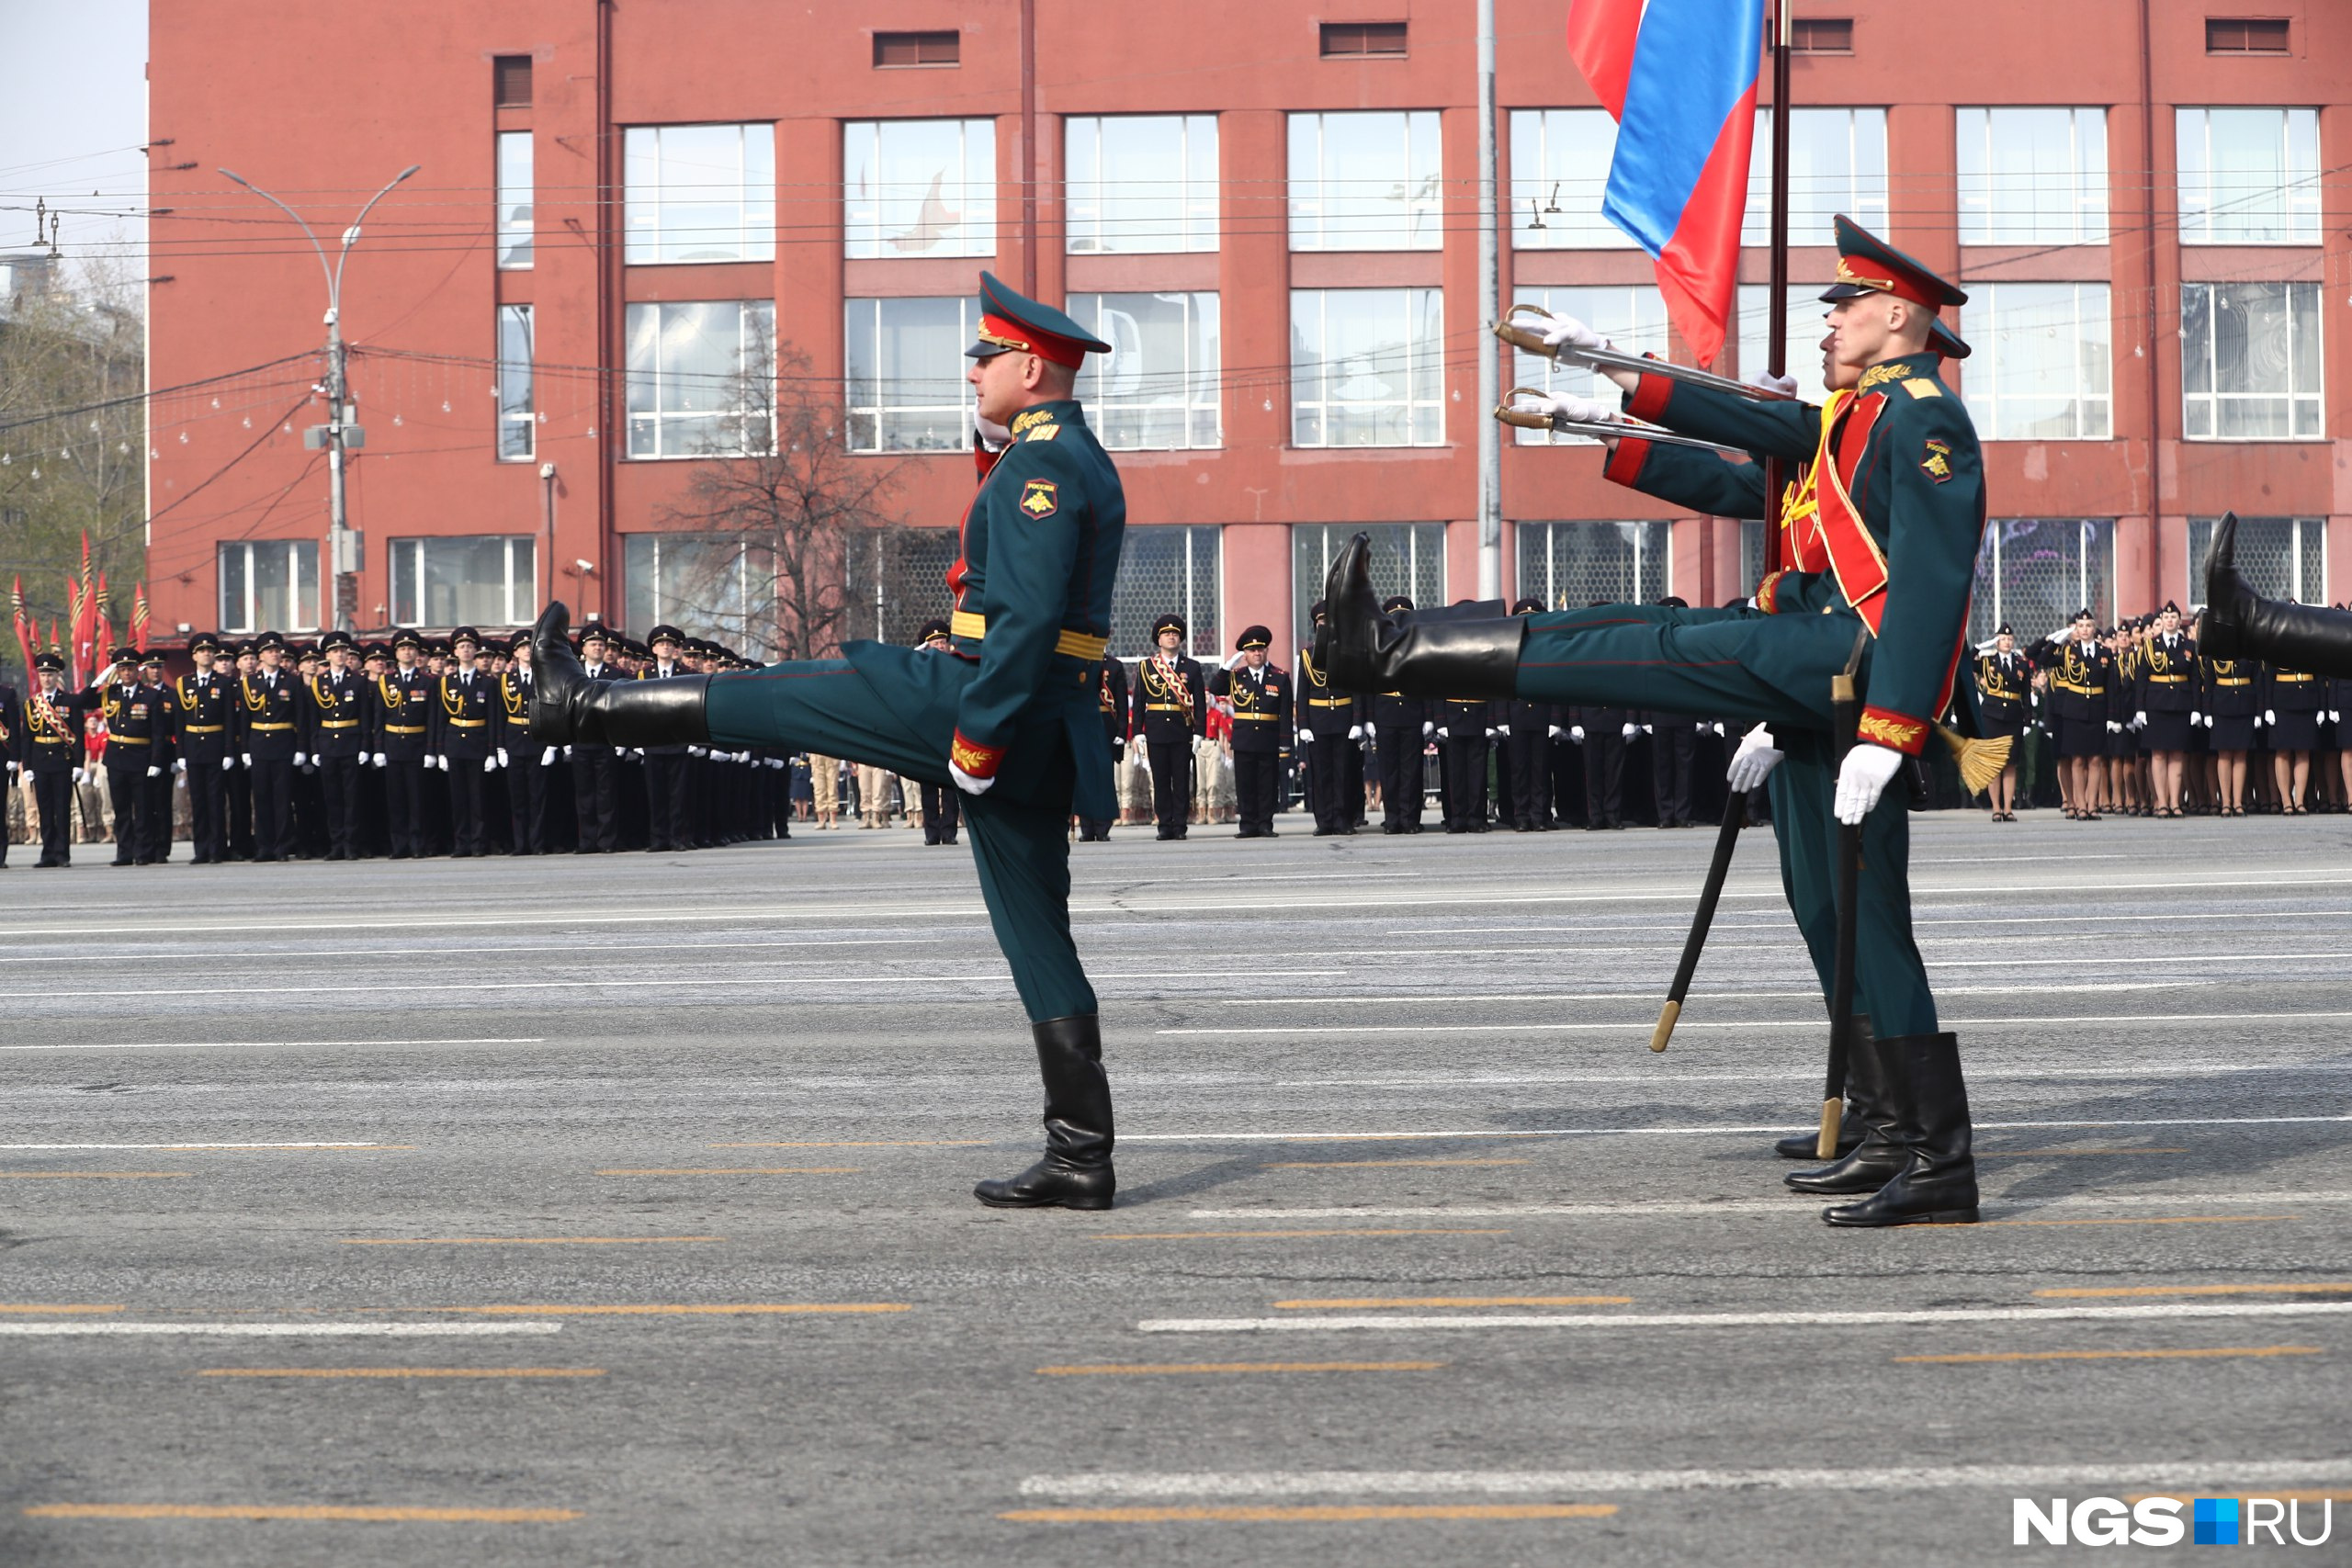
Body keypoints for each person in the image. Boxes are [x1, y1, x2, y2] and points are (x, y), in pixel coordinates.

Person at [1321, 217, 1985, 1228]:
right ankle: (1890, 1125)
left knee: (1665, 648)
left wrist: (1892, 730)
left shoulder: (1920, 419)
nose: (1826, 325)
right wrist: (1606, 411)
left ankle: (1938, 1158)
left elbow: (1933, 586)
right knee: (1826, 910)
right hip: (1815, 679)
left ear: (1897, 314)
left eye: (1841, 305)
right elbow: (1745, 468)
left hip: (1857, 673)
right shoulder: (1851, 417)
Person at [528, 271, 1125, 1211]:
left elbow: (1025, 618)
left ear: (1033, 365)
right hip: (1040, 721)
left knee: (805, 690)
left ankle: (583, 706)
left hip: (989, 704)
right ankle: (1082, 1155)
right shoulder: (1054, 454)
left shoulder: (1044, 468)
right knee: (1035, 937)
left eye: (985, 359)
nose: (971, 374)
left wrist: (976, 741)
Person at [1208, 625, 1291, 838]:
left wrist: (1285, 742)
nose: (1256, 653)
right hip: (1244, 737)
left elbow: (1285, 713)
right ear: (1244, 654)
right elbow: (1215, 689)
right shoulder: (1237, 676)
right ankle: (1247, 824)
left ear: (1266, 651)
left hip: (1268, 737)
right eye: (1252, 650)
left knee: (1267, 783)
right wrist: (1226, 668)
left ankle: (1265, 823)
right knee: (1245, 783)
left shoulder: (1279, 677)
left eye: (1260, 649)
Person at [1133, 614, 1206, 840]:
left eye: (1175, 634)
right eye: (1166, 634)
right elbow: (1138, 702)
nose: (1171, 637)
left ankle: (1180, 825)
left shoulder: (1192, 667)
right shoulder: (1147, 667)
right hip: (1155, 731)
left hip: (1181, 730)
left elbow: (1200, 704)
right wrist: (1137, 731)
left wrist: (1199, 733)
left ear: (1180, 638)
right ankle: (1164, 824)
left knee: (1181, 779)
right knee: (1161, 780)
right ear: (1158, 639)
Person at [1295, 601, 1363, 836]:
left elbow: (1357, 691)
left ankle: (1343, 820)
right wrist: (1303, 725)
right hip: (1318, 721)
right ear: (1316, 626)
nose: (1326, 625)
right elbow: (1302, 694)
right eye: (1321, 622)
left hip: (1343, 719)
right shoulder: (1306, 656)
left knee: (1344, 773)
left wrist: (1357, 721)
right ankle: (1324, 821)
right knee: (1321, 775)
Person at [1365, 596, 1430, 834]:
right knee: (1389, 771)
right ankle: (1392, 819)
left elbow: (1428, 685)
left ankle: (1410, 819)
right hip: (1386, 714)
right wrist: (1370, 718)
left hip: (1412, 714)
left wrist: (1429, 717)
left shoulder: (1419, 647)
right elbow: (1369, 685)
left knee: (1411, 771)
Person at [433, 627, 498, 857]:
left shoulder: (487, 682)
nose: (466, 650)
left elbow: (492, 717)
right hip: (454, 744)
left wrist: (492, 751)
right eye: (462, 647)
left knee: (478, 797)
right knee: (458, 798)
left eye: (470, 647)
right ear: (455, 652)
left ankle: (479, 843)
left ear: (475, 651)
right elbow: (440, 718)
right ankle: (461, 843)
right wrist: (439, 751)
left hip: (478, 743)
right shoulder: (445, 682)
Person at [2041, 611, 2110, 820]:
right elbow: (2043, 658)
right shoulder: (2068, 652)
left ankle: (2092, 805)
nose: (2085, 630)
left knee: (2096, 760)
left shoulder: (2104, 652)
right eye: (2081, 626)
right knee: (2078, 760)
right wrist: (2057, 640)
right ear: (2076, 629)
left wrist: (2112, 715)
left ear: (2094, 628)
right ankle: (2080, 805)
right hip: (2074, 711)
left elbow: (2111, 686)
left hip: (2097, 709)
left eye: (2089, 625)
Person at [175, 632, 236, 863]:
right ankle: (200, 849)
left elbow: (230, 719)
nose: (206, 654)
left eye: (210, 650)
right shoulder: (184, 683)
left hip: (216, 745)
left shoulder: (223, 682)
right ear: (194, 656)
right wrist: (180, 753)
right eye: (202, 651)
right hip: (193, 746)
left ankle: (217, 849)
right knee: (198, 801)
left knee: (216, 801)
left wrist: (229, 751)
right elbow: (179, 721)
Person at [1503, 597, 1558, 830]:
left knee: (1541, 771)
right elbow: (1500, 685)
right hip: (1516, 717)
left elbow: (1557, 687)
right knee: (1519, 771)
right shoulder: (1507, 649)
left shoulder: (1548, 649)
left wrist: (1556, 719)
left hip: (1541, 716)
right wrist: (1502, 719)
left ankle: (1540, 816)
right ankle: (1522, 817)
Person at [910, 618, 962, 846]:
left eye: (943, 642)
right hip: (928, 733)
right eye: (936, 643)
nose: (940, 646)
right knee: (928, 784)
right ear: (927, 646)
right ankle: (931, 832)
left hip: (951, 732)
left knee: (950, 785)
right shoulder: (920, 668)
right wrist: (918, 657)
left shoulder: (955, 665)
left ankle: (949, 831)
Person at [1973, 625, 2029, 820]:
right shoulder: (1988, 662)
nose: (2007, 642)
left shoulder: (2021, 664)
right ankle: (1996, 808)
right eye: (2003, 639)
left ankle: (2008, 808)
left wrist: (2027, 719)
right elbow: (1967, 663)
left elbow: (2026, 694)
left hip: (2013, 716)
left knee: (2011, 764)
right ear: (1997, 641)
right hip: (1992, 716)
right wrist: (1978, 647)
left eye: (2010, 639)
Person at [1076, 655, 1126, 841]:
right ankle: (1087, 827)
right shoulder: (1075, 661)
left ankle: (1103, 826)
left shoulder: (1114, 666)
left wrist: (1122, 731)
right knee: (1083, 778)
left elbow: (1121, 702)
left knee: (1104, 777)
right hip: (1081, 723)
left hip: (1106, 726)